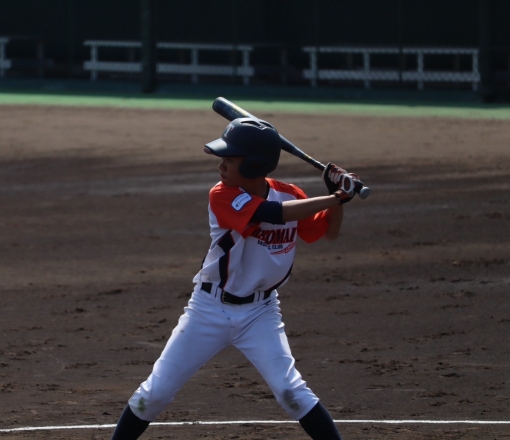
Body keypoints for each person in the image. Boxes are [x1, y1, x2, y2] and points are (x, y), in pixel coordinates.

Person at [111, 117, 359, 440]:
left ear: (255, 164)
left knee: (292, 392)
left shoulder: (291, 195)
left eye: (230, 158)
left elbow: (329, 231)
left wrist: (336, 194)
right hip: (208, 309)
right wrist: (337, 197)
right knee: (154, 394)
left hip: (261, 313)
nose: (222, 165)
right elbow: (271, 214)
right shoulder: (222, 194)